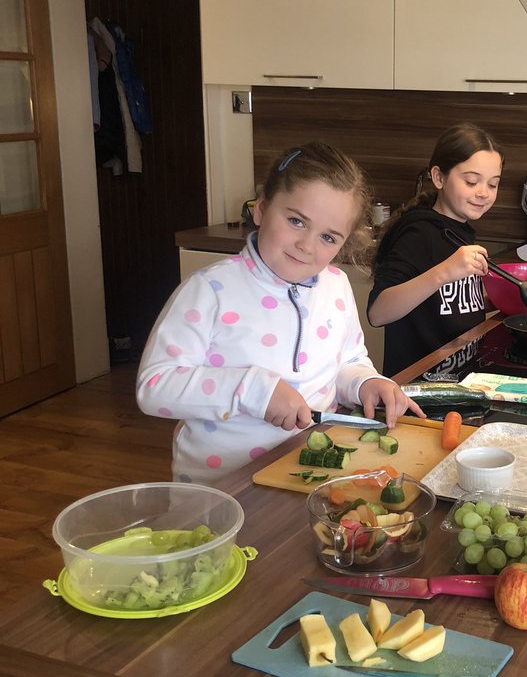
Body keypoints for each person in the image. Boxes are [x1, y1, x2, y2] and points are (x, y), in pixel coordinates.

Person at [137, 142, 423, 483]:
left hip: (311, 473)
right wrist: (252, 389)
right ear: (261, 209)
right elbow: (154, 387)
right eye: (296, 221)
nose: (307, 245)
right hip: (222, 487)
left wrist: (365, 382)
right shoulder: (210, 291)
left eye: (328, 237)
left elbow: (348, 360)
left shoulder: (336, 285)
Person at [367, 123, 504, 377]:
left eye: (493, 184)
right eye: (472, 181)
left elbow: (448, 307)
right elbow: (378, 312)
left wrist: (500, 299)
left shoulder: (463, 231)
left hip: (461, 378)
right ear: (439, 177)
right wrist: (445, 272)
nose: (484, 193)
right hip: (418, 387)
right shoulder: (418, 234)